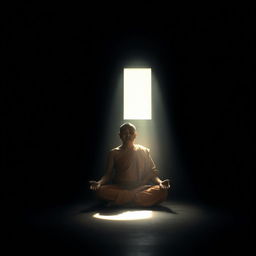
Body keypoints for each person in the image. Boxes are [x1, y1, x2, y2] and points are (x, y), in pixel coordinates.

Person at [89, 122, 171, 207]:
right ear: (119, 135)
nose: (128, 135)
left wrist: (161, 183)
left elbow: (152, 173)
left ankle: (122, 201)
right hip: (120, 187)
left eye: (131, 133)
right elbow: (108, 174)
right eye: (124, 133)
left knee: (162, 191)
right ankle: (135, 201)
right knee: (99, 191)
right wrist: (99, 183)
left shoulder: (143, 150)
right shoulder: (113, 153)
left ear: (135, 135)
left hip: (140, 187)